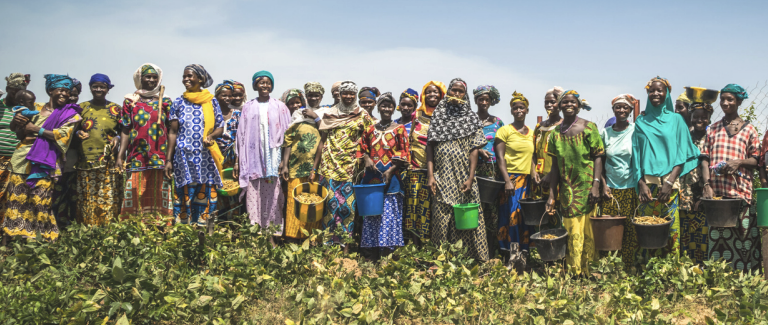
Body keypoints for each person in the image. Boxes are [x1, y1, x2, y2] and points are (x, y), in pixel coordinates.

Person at [2, 74, 82, 241]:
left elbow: (62, 136)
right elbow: (20, 134)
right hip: (21, 160)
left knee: (41, 202)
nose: (64, 94)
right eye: (61, 90)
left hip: (47, 164)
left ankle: (45, 240)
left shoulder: (70, 114)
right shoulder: (35, 107)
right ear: (50, 90)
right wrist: (21, 124)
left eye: (67, 92)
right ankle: (16, 241)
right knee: (17, 200)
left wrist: (35, 130)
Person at [629, 77, 700, 265]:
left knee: (671, 229)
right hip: (647, 187)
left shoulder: (676, 120)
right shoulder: (641, 121)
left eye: (660, 90)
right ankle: (646, 271)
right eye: (652, 90)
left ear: (667, 93)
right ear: (647, 93)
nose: (656, 94)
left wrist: (669, 183)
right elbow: (636, 155)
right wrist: (641, 183)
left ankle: (670, 271)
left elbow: (683, 153)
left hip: (669, 186)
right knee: (646, 227)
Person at [427, 78, 489, 262]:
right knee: (441, 217)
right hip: (442, 175)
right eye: (453, 90)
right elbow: (430, 146)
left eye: (460, 91)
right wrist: (431, 176)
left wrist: (470, 178)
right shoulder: (439, 115)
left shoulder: (471, 117)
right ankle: (440, 259)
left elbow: (474, 150)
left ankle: (471, 259)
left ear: (465, 94)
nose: (456, 94)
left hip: (463, 175)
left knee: (468, 217)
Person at [701, 84, 761, 271]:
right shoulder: (713, 129)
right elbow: (704, 159)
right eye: (723, 99)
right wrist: (706, 184)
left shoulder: (749, 129)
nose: (725, 103)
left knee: (742, 235)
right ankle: (718, 275)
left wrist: (739, 162)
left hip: (740, 192)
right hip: (717, 193)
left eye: (730, 99)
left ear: (739, 102)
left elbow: (756, 160)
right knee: (718, 236)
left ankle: (744, 277)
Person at [544, 90, 603, 274]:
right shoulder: (554, 134)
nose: (569, 105)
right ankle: (574, 270)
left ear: (578, 105)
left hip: (587, 189)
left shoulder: (589, 128)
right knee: (571, 228)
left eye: (573, 102)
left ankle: (590, 269)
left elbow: (598, 157)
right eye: (565, 102)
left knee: (588, 229)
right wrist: (552, 197)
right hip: (568, 192)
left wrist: (596, 185)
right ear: (559, 106)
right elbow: (554, 168)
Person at [311, 81, 374, 249]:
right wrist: (314, 168)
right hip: (329, 166)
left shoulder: (363, 115)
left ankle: (345, 247)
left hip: (351, 169)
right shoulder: (330, 113)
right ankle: (327, 246)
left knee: (348, 208)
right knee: (330, 206)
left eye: (351, 93)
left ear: (355, 95)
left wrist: (366, 158)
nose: (348, 96)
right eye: (344, 93)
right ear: (340, 94)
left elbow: (370, 139)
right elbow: (322, 142)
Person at [236, 71, 290, 242]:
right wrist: (239, 160)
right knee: (254, 196)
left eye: (268, 83)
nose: (265, 86)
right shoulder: (248, 107)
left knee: (274, 197)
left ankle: (272, 235)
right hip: (253, 160)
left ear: (272, 85)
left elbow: (288, 134)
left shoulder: (280, 106)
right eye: (261, 83)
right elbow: (241, 135)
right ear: (255, 86)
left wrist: (284, 161)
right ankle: (256, 235)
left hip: (273, 160)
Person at [168, 64, 224, 226]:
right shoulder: (178, 102)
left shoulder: (211, 101)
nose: (186, 79)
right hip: (183, 158)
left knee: (205, 192)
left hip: (205, 158)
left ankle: (205, 233)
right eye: (184, 76)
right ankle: (184, 234)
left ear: (200, 79)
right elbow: (172, 132)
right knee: (185, 193)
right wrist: (169, 160)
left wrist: (211, 136)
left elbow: (220, 126)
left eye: (189, 76)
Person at [117, 63, 174, 223]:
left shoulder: (166, 102)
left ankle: (160, 228)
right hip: (137, 156)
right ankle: (134, 230)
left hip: (159, 157)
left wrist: (169, 159)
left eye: (154, 77)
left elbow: (172, 131)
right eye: (147, 76)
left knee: (158, 194)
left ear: (159, 79)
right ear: (140, 79)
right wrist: (120, 156)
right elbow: (126, 129)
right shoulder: (130, 102)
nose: (151, 80)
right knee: (135, 192)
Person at [359, 92, 410, 260]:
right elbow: (362, 148)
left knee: (389, 216)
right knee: (372, 214)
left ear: (394, 109)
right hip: (371, 180)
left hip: (392, 180)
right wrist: (367, 158)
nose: (386, 108)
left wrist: (391, 169)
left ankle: (387, 255)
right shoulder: (370, 129)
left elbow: (405, 155)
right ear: (378, 107)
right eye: (383, 105)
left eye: (389, 106)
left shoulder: (399, 129)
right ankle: (370, 255)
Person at [74, 73, 123, 225]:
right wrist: (78, 132)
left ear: (108, 89)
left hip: (107, 160)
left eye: (102, 86)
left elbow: (123, 131)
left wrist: (118, 138)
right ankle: (87, 230)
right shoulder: (82, 108)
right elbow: (72, 130)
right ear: (90, 88)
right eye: (95, 86)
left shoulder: (116, 108)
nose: (98, 89)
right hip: (85, 160)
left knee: (107, 195)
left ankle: (107, 229)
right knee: (87, 196)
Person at [598, 94, 640, 264]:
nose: (622, 110)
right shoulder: (605, 133)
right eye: (618, 107)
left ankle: (628, 265)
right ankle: (609, 265)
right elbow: (599, 160)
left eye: (625, 107)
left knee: (629, 229)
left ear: (630, 111)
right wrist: (603, 184)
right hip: (610, 188)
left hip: (631, 187)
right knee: (610, 229)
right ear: (613, 110)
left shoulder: (635, 130)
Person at [494, 91, 535, 262]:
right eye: (515, 108)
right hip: (510, 179)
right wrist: (507, 181)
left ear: (527, 110)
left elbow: (533, 156)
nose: (519, 110)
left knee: (524, 217)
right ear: (511, 111)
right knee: (511, 215)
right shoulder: (504, 131)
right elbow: (500, 157)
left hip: (527, 181)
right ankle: (511, 252)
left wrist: (534, 174)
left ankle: (524, 252)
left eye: (522, 108)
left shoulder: (532, 133)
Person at [403, 81, 446, 244]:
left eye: (435, 92)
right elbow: (409, 140)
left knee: (433, 209)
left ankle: (431, 245)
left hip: (438, 170)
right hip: (415, 168)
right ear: (423, 95)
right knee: (414, 208)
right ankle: (415, 246)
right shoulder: (417, 116)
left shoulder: (444, 117)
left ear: (441, 95)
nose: (432, 95)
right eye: (428, 92)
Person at [280, 88, 322, 240]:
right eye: (292, 103)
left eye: (298, 102)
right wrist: (285, 165)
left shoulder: (321, 115)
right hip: (295, 166)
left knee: (313, 201)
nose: (296, 106)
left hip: (315, 167)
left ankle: (311, 238)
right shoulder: (296, 119)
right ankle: (293, 236)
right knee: (294, 201)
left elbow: (325, 134)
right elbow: (288, 142)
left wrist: (316, 118)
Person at [679, 102, 712, 264]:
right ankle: (687, 267)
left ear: (709, 119)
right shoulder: (685, 136)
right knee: (685, 231)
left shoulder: (712, 137)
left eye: (704, 117)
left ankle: (703, 267)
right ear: (690, 118)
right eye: (696, 117)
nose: (700, 120)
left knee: (704, 232)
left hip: (705, 191)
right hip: (685, 190)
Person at [473, 85, 504, 257]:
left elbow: (503, 146)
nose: (484, 102)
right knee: (476, 207)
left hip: (492, 169)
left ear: (491, 102)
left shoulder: (497, 122)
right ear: (476, 100)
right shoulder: (469, 120)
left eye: (487, 99)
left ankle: (491, 250)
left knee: (492, 210)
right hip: (472, 169)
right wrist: (477, 151)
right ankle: (476, 250)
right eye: (481, 99)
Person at [0, 73, 31, 226]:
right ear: (7, 89)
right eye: (14, 92)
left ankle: (8, 233)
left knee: (13, 198)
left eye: (21, 92)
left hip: (17, 161)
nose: (17, 95)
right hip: (0, 159)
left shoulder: (26, 108)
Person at [51, 78, 81, 226]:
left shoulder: (78, 112)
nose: (73, 98)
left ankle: (68, 227)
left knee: (72, 196)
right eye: (71, 94)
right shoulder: (54, 110)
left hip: (73, 161)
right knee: (55, 194)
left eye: (76, 95)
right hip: (55, 160)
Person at [214, 80, 243, 220]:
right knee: (217, 189)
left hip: (232, 157)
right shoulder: (211, 113)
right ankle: (219, 224)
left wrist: (237, 161)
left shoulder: (237, 114)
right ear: (217, 96)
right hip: (215, 157)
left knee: (233, 189)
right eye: (223, 95)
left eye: (230, 95)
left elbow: (240, 139)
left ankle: (234, 224)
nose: (227, 98)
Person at [532, 87, 564, 202]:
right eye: (546, 102)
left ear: (560, 104)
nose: (549, 105)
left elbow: (563, 156)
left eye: (553, 102)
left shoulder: (563, 127)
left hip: (556, 178)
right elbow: (533, 152)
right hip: (538, 179)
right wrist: (533, 171)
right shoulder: (539, 127)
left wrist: (551, 175)